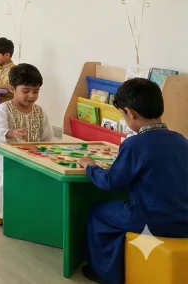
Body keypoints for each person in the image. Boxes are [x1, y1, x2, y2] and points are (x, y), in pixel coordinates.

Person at [77, 78, 188, 284]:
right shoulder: (181, 139)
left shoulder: (135, 144)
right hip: (184, 220)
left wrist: (91, 166)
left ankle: (103, 271)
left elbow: (111, 182)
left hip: (152, 219)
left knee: (98, 212)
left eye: (122, 114)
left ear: (131, 113)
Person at [0, 63, 54, 219]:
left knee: (47, 180)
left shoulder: (39, 111)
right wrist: (11, 133)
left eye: (36, 91)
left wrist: (47, 152)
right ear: (12, 89)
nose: (31, 95)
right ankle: (5, 214)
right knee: (5, 181)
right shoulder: (4, 109)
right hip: (6, 157)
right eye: (26, 91)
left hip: (33, 155)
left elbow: (47, 136)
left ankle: (40, 212)